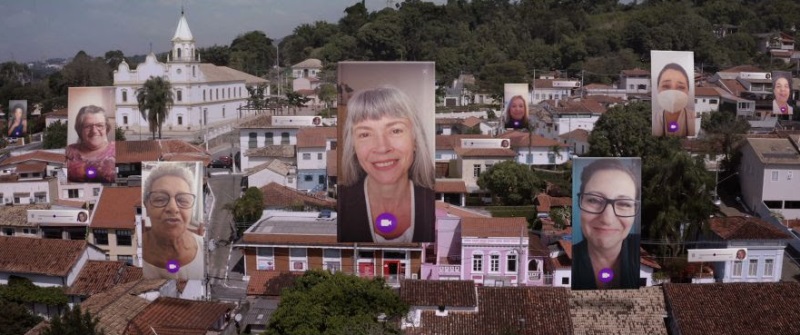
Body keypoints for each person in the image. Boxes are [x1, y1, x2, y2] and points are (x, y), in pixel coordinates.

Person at [337, 87, 435, 243]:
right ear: (352, 146)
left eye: (395, 131)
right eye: (365, 134)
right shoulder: (340, 204)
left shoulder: (434, 202)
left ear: (415, 140)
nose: (382, 147)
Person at [572, 159, 640, 290]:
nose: (607, 219)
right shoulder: (567, 260)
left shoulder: (646, 255)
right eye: (594, 200)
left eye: (624, 204)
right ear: (579, 203)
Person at [142, 163, 204, 280]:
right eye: (160, 199)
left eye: (182, 200)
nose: (173, 208)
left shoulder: (204, 249)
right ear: (147, 207)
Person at [66, 105, 116, 183]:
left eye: (99, 125)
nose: (94, 131)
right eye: (88, 126)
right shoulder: (69, 151)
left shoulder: (117, 150)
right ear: (79, 129)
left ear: (107, 128)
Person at [652, 63, 697, 137]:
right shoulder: (652, 120)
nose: (673, 94)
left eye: (680, 87)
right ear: (657, 89)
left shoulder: (695, 120)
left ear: (688, 92)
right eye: (666, 86)